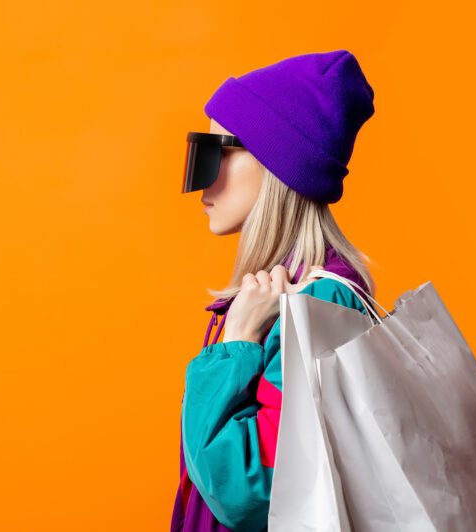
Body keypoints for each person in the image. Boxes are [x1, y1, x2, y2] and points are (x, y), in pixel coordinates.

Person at [171, 50, 377, 532]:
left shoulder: (320, 303)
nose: (202, 178)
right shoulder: (270, 295)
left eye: (217, 150)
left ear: (273, 164)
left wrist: (237, 343)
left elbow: (249, 492)